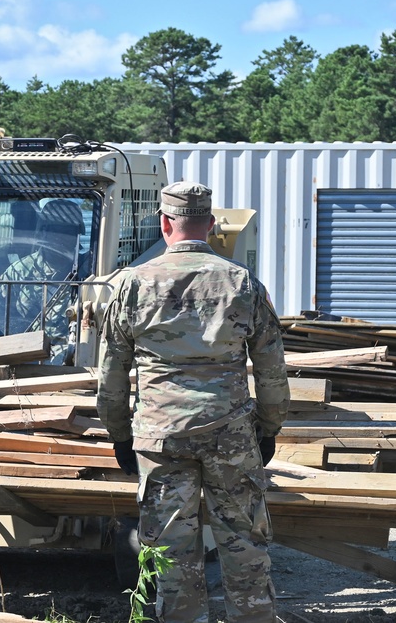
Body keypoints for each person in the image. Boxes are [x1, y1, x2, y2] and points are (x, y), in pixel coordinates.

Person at [97, 181, 290, 622]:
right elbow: (272, 371)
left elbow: (111, 377)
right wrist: (270, 427)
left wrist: (119, 435)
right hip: (231, 433)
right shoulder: (242, 283)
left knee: (171, 551)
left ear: (164, 224)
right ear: (212, 224)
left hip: (160, 437)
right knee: (245, 544)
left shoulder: (130, 285)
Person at [0, 199, 86, 364]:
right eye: (56, 231)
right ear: (43, 232)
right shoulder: (19, 271)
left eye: (69, 232)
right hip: (25, 353)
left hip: (76, 357)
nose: (62, 238)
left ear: (78, 235)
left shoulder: (89, 271)